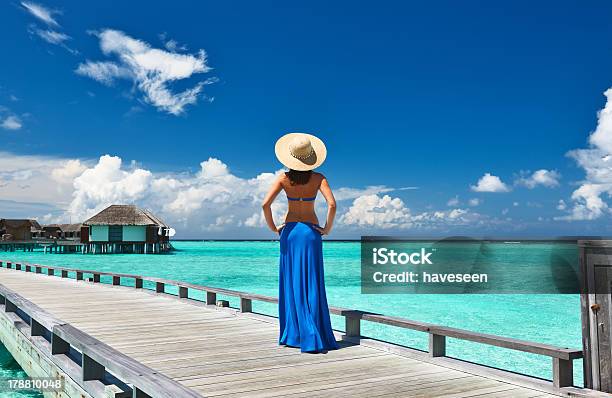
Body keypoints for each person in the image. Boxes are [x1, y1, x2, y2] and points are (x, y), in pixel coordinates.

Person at [261, 132, 339, 353]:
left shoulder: (284, 179)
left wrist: (274, 228)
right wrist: (327, 229)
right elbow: (332, 205)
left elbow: (265, 205)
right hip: (312, 233)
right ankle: (314, 332)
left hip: (291, 232)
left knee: (292, 281)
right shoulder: (318, 178)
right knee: (312, 282)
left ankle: (295, 334)